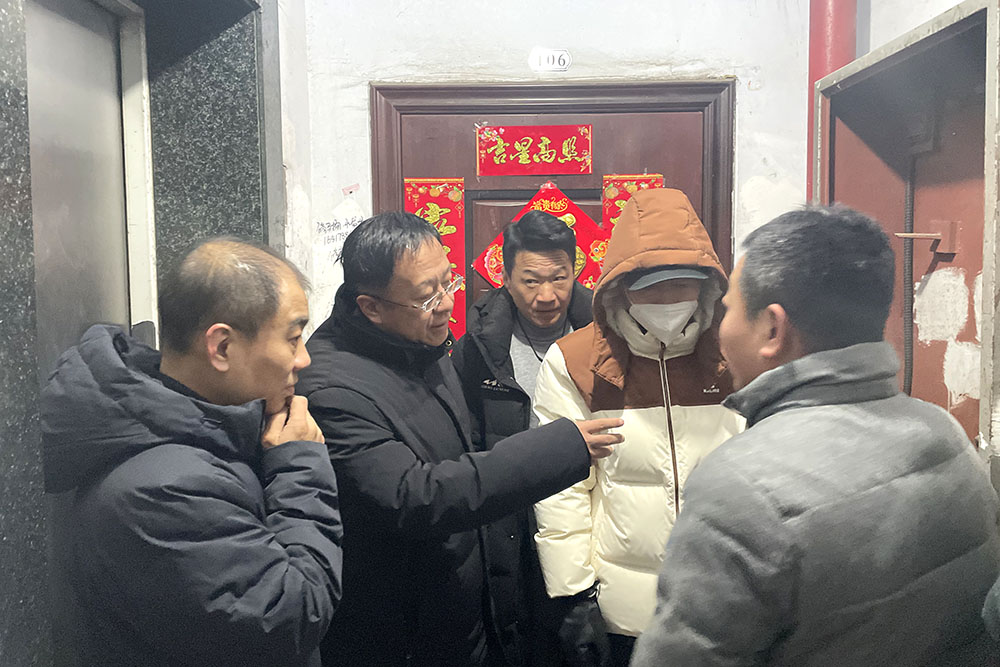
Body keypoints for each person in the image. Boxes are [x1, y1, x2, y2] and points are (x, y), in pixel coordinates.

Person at [631, 205, 1000, 666]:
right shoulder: (944, 430)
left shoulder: (741, 487)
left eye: (727, 309)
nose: (720, 328)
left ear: (772, 328)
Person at [296, 211, 623, 667]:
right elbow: (417, 496)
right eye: (426, 297)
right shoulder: (331, 389)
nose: (447, 305)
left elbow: (463, 449)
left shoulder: (421, 344)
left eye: (447, 283)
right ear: (371, 307)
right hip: (403, 635)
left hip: (462, 610)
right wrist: (560, 446)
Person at [40, 239, 343, 667]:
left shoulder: (204, 433)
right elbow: (290, 615)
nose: (304, 360)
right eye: (293, 339)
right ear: (221, 347)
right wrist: (301, 465)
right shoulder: (162, 490)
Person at [530, 188, 744, 666]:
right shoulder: (576, 361)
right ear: (620, 287)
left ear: (707, 286)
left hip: (726, 603)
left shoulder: (736, 352)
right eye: (650, 286)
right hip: (623, 613)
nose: (667, 299)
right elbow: (562, 488)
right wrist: (573, 597)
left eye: (682, 284)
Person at [452, 210, 595, 665]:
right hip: (509, 520)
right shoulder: (478, 347)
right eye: (531, 281)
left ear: (575, 271)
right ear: (506, 278)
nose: (546, 295)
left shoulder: (605, 334)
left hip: (586, 514)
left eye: (559, 278)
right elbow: (467, 443)